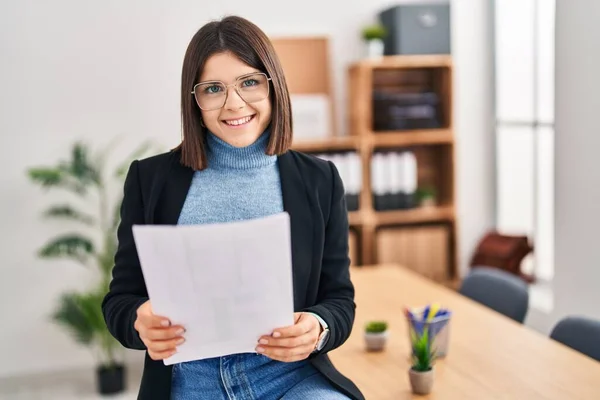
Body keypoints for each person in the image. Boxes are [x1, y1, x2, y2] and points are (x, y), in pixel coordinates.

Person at [102, 15, 364, 400]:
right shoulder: (150, 179)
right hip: (190, 383)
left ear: (273, 86)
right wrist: (138, 320)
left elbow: (339, 300)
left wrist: (319, 327)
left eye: (249, 82)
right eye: (213, 88)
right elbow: (120, 301)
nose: (234, 103)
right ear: (194, 100)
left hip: (288, 379)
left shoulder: (319, 180)